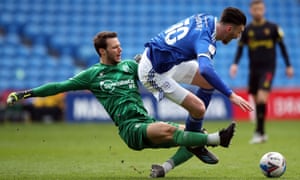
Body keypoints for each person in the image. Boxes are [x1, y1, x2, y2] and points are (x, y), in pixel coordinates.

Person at [7, 31, 236, 178]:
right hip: (130, 129)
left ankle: (164, 168)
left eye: (120, 45)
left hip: (146, 121)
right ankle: (218, 140)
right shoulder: (92, 75)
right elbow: (58, 87)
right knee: (173, 131)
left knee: (194, 133)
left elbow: (154, 72)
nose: (120, 49)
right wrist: (25, 94)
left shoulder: (129, 66)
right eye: (115, 47)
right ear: (102, 51)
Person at [138, 7, 254, 166]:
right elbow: (206, 69)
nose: (238, 36)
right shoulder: (206, 40)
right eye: (239, 32)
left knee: (208, 84)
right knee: (199, 108)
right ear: (229, 28)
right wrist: (231, 95)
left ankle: (194, 139)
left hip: (165, 61)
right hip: (154, 72)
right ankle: (195, 143)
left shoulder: (205, 18)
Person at [229, 0, 294, 144]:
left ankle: (260, 132)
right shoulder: (247, 30)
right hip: (254, 70)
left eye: (260, 9)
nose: (258, 11)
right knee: (256, 98)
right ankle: (261, 132)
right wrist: (235, 64)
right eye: (255, 9)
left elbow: (282, 47)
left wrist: (289, 65)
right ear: (251, 11)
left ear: (263, 10)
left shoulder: (273, 28)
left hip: (268, 68)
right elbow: (240, 48)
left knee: (262, 98)